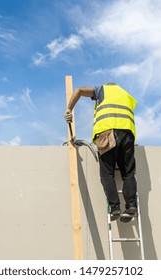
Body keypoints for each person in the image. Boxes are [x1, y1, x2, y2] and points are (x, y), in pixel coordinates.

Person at [64, 83, 137, 223]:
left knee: (107, 173)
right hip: (127, 135)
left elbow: (79, 90)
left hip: (108, 133)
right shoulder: (126, 95)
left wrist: (68, 109)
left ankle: (115, 207)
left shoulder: (103, 90)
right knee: (128, 173)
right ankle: (131, 205)